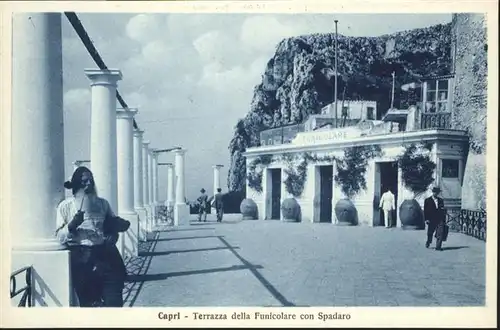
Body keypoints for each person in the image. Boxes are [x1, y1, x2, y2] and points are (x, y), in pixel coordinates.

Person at [55, 166, 130, 307]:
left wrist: (114, 234)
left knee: (114, 302)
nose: (89, 184)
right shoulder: (66, 206)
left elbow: (111, 226)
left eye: (91, 180)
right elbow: (59, 237)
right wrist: (72, 225)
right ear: (77, 184)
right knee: (90, 305)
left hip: (106, 256)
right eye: (84, 181)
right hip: (82, 260)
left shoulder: (102, 204)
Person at [424, 186, 446, 251]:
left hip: (439, 219)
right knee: (430, 233)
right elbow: (425, 211)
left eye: (437, 192)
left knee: (440, 233)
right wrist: (426, 219)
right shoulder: (427, 200)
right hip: (431, 219)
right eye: (435, 192)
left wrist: (444, 219)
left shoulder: (441, 200)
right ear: (433, 192)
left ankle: (438, 247)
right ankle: (428, 241)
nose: (436, 193)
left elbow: (442, 210)